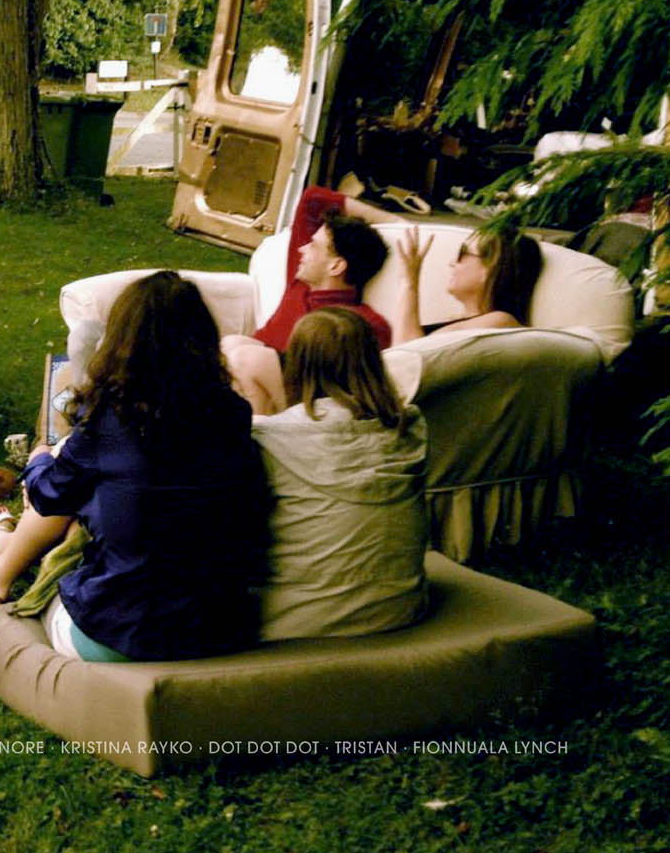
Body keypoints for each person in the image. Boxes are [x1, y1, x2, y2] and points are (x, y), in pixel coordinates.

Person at [0, 271, 267, 662]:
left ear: (120, 339)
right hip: (219, 631)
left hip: (121, 634)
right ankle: (2, 550)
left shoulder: (111, 417)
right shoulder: (233, 413)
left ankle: (0, 559)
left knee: (77, 494)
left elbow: (49, 495)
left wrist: (39, 461)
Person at [250, 309, 428, 638]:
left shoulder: (268, 437)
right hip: (400, 607)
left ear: (298, 364)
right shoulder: (411, 426)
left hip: (297, 619)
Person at [221, 185, 393, 415]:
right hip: (254, 384)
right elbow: (313, 200)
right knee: (231, 344)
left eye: (313, 246)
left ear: (336, 265)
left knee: (246, 357)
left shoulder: (360, 323)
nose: (301, 249)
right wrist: (396, 222)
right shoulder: (300, 284)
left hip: (303, 404)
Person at [389, 225, 544, 344]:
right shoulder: (467, 323)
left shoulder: (500, 322)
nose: (452, 263)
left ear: (491, 268)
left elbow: (407, 360)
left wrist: (409, 283)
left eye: (462, 254)